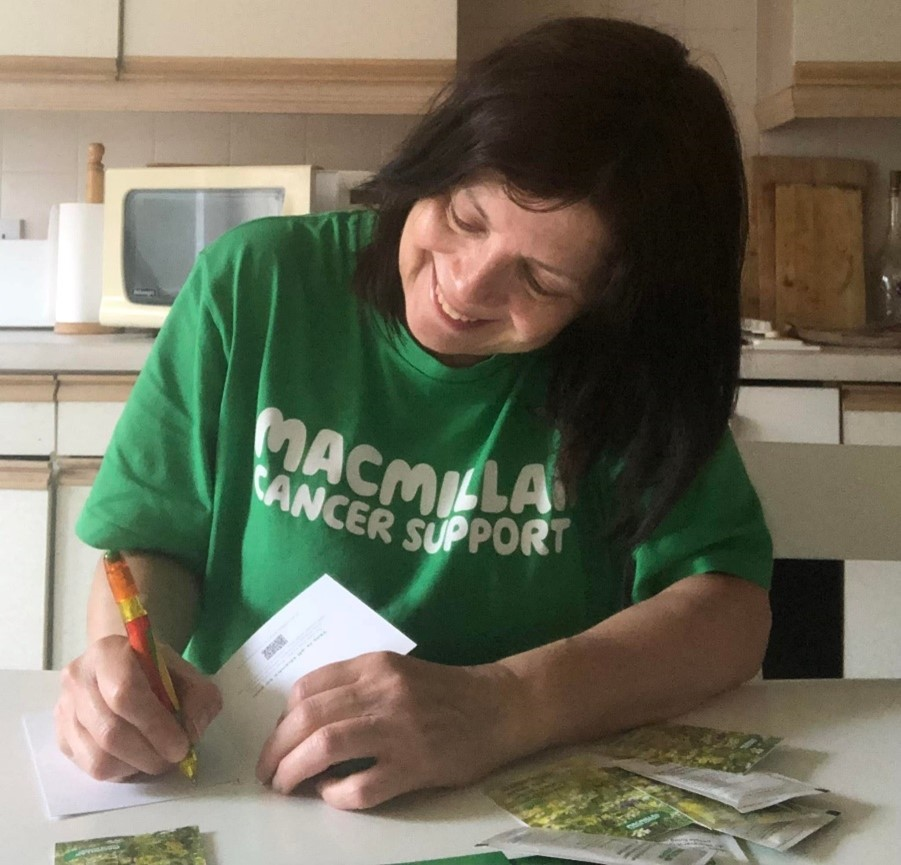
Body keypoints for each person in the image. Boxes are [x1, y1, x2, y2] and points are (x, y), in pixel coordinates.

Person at [55, 16, 772, 811]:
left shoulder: (631, 359)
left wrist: (506, 702)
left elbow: (728, 609)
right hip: (257, 789)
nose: (464, 287)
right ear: (433, 164)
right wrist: (125, 663)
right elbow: (151, 544)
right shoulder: (255, 283)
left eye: (539, 280)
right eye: (464, 219)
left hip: (522, 801)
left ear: (614, 304)